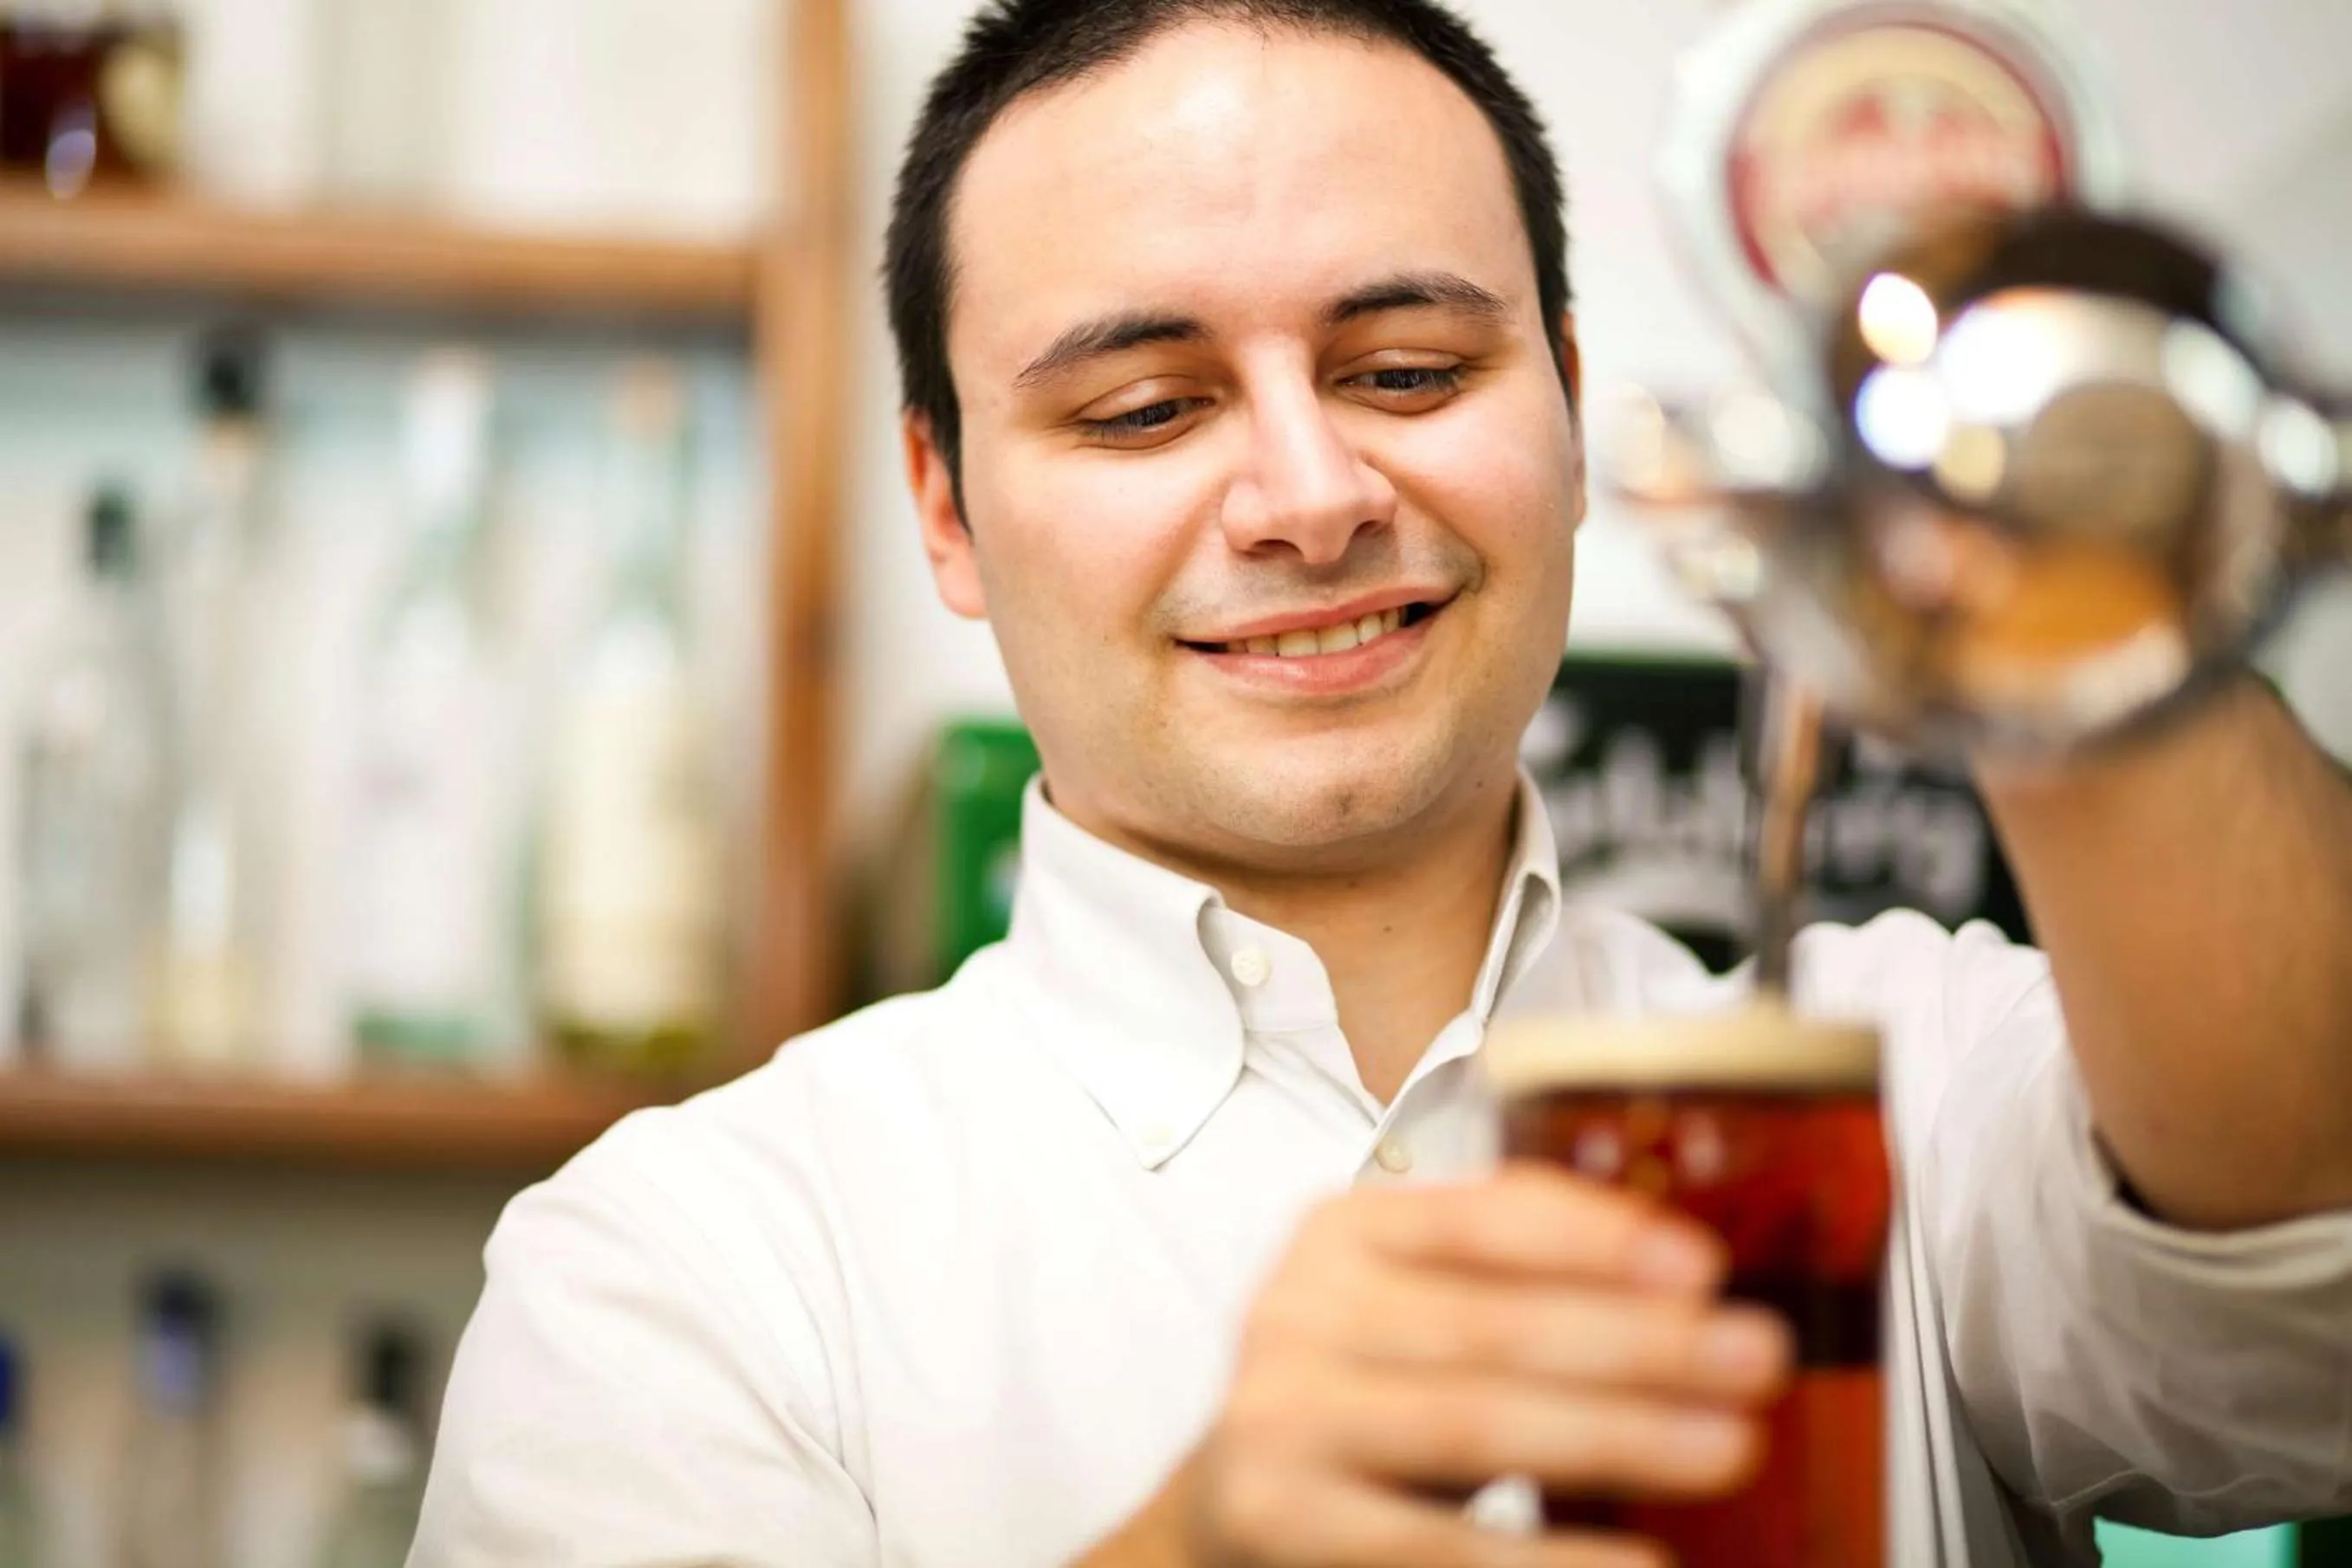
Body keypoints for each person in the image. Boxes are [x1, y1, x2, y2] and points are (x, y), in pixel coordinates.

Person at [409, 3, 2352, 1565]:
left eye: (1409, 371)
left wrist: (2074, 537)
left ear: (1573, 412)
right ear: (946, 506)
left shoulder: (1895, 1077)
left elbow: (2306, 1304)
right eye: (1146, 406)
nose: (1315, 495)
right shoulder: (688, 1270)